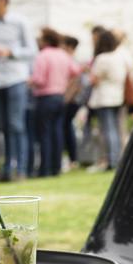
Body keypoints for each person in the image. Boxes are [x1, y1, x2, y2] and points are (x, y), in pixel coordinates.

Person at [0, 0, 37, 181]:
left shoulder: (20, 22)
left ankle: (20, 169)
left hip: (16, 79)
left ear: (4, 0)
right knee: (3, 126)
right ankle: (7, 169)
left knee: (16, 125)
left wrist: (10, 52)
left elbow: (32, 50)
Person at [30, 28, 82, 176]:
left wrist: (30, 82)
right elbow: (76, 71)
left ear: (46, 40)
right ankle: (56, 167)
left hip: (45, 97)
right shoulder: (63, 55)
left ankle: (45, 168)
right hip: (60, 97)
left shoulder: (42, 56)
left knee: (45, 134)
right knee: (57, 132)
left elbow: (39, 79)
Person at [89, 30, 128, 170]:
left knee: (108, 129)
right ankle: (118, 158)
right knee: (116, 130)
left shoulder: (102, 58)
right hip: (118, 97)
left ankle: (112, 160)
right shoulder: (120, 57)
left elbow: (94, 80)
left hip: (104, 98)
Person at [60, 35, 85, 168]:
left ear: (69, 47)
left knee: (66, 127)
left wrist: (66, 99)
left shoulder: (71, 61)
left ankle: (72, 158)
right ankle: (72, 158)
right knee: (67, 127)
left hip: (71, 100)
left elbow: (75, 83)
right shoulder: (73, 60)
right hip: (71, 99)